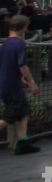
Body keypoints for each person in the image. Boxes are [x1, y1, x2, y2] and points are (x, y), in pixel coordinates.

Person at [0, 15, 40, 154]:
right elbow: (22, 65)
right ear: (23, 27)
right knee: (9, 117)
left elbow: (7, 65)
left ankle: (22, 142)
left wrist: (22, 81)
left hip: (8, 83)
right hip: (12, 87)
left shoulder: (5, 44)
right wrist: (31, 82)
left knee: (23, 111)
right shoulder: (19, 43)